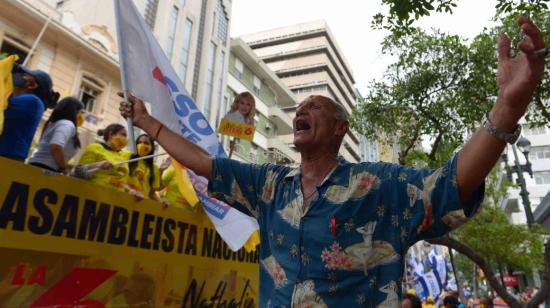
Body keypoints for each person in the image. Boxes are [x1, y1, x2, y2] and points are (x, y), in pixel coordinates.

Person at [119, 17, 546, 307]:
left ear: (342, 128)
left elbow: (454, 183)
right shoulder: (269, 185)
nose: (301, 109)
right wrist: (146, 121)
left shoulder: (379, 185)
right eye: (298, 106)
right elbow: (204, 162)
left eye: (315, 105)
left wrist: (507, 107)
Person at [0, 64, 57, 161]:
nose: (19, 76)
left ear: (32, 85)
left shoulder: (32, 101)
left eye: (24, 75)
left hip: (7, 156)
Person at [77, 123, 141, 198]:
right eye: (123, 135)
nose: (125, 139)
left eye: (126, 136)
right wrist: (98, 165)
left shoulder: (122, 157)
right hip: (94, 196)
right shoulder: (95, 148)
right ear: (111, 134)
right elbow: (78, 172)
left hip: (115, 200)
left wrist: (131, 191)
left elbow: (121, 182)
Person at [28, 97, 85, 173]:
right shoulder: (67, 124)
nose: (81, 116)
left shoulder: (56, 124)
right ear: (75, 112)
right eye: (81, 112)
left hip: (40, 166)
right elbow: (56, 146)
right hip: (46, 169)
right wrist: (63, 167)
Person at [126, 134, 166, 206]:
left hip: (141, 203)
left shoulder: (155, 168)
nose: (141, 145)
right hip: (123, 197)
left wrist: (161, 201)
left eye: (146, 143)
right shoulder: (126, 156)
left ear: (152, 147)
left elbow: (151, 193)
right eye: (139, 142)